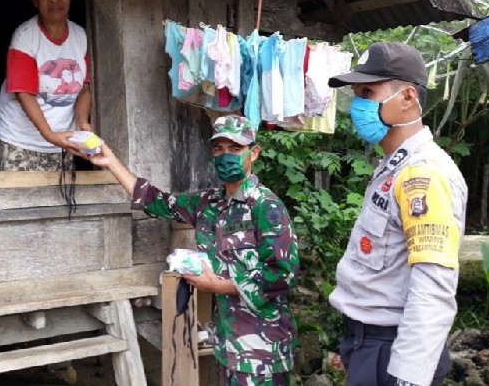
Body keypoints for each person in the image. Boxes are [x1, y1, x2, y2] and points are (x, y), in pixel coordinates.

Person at [85, 115, 299, 386]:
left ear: (253, 153)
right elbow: (156, 201)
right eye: (219, 149)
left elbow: (283, 274)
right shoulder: (208, 203)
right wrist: (111, 162)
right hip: (228, 343)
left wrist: (219, 286)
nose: (226, 156)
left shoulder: (265, 207)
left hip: (262, 349)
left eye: (235, 149)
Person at [327, 42, 467, 386]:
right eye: (357, 93)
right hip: (369, 345)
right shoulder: (394, 166)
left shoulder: (424, 175)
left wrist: (409, 376)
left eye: (368, 92)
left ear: (407, 98)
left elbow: (433, 285)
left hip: (391, 352)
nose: (358, 104)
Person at [0, 0, 90, 171]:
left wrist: (82, 123)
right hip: (20, 138)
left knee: (59, 201)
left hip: (62, 139)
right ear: (35, 0)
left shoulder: (81, 37)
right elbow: (24, 94)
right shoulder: (25, 37)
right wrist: (50, 135)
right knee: (22, 201)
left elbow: (84, 89)